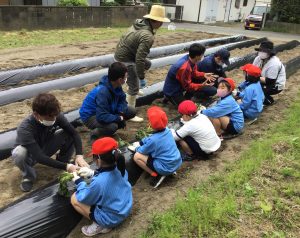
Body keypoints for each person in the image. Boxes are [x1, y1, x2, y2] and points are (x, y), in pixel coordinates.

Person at [11, 93, 88, 192]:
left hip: (45, 147)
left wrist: (79, 155)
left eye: (54, 116)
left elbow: (74, 133)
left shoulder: (55, 115)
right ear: (36, 114)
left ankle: (63, 160)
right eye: (49, 117)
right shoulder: (25, 128)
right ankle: (29, 176)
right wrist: (67, 167)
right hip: (31, 155)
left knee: (67, 133)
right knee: (19, 153)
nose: (53, 119)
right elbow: (39, 157)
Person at [114, 5, 170, 122]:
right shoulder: (147, 36)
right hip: (126, 59)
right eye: (162, 22)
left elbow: (142, 59)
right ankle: (130, 114)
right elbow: (139, 59)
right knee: (134, 86)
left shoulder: (139, 24)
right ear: (158, 22)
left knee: (147, 64)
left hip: (123, 53)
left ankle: (132, 84)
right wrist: (141, 77)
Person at [71, 137, 132, 237]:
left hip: (112, 219)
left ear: (98, 160)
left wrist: (79, 182)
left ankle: (100, 225)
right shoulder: (121, 168)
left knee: (74, 198)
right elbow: (107, 178)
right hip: (125, 208)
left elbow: (85, 198)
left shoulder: (99, 182)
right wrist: (93, 173)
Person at [79, 62, 136, 141]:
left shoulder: (116, 86)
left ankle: (107, 130)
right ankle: (95, 134)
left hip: (105, 110)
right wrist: (118, 118)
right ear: (120, 80)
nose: (127, 78)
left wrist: (121, 113)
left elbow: (122, 102)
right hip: (91, 116)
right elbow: (101, 116)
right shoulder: (103, 92)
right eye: (126, 77)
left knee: (131, 111)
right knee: (112, 126)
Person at [132, 106, 182, 188]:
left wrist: (136, 147)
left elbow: (142, 151)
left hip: (165, 168)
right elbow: (151, 137)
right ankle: (170, 171)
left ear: (152, 124)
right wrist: (142, 141)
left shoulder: (153, 141)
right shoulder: (168, 130)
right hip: (176, 162)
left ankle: (155, 174)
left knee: (137, 156)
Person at [253, 40, 286, 105]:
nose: (261, 52)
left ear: (270, 53)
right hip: (262, 80)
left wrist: (254, 78)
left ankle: (269, 100)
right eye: (260, 50)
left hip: (274, 85)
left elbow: (270, 81)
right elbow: (252, 70)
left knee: (255, 91)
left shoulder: (274, 63)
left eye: (264, 51)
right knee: (248, 87)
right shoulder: (258, 59)